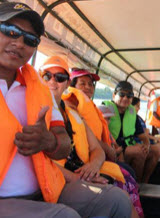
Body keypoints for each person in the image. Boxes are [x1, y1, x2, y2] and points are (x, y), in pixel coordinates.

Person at [0, 2, 131, 218]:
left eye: (30, 39)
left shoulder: (38, 90)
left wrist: (48, 141)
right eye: (10, 31)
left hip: (47, 187)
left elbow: (62, 146)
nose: (19, 43)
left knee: (116, 200)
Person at [40, 59, 143, 217]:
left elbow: (96, 148)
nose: (53, 81)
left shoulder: (73, 112)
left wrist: (93, 166)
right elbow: (39, 160)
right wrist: (79, 177)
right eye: (47, 76)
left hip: (84, 167)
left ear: (66, 83)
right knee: (119, 196)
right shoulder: (34, 110)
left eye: (59, 77)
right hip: (60, 177)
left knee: (126, 180)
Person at [104, 81, 160, 183]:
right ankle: (136, 184)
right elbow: (103, 133)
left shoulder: (131, 112)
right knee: (139, 151)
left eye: (129, 95)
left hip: (128, 146)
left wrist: (147, 144)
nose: (125, 98)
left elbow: (142, 135)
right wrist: (117, 149)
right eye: (122, 94)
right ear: (114, 95)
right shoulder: (106, 109)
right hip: (113, 147)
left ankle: (144, 182)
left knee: (156, 149)